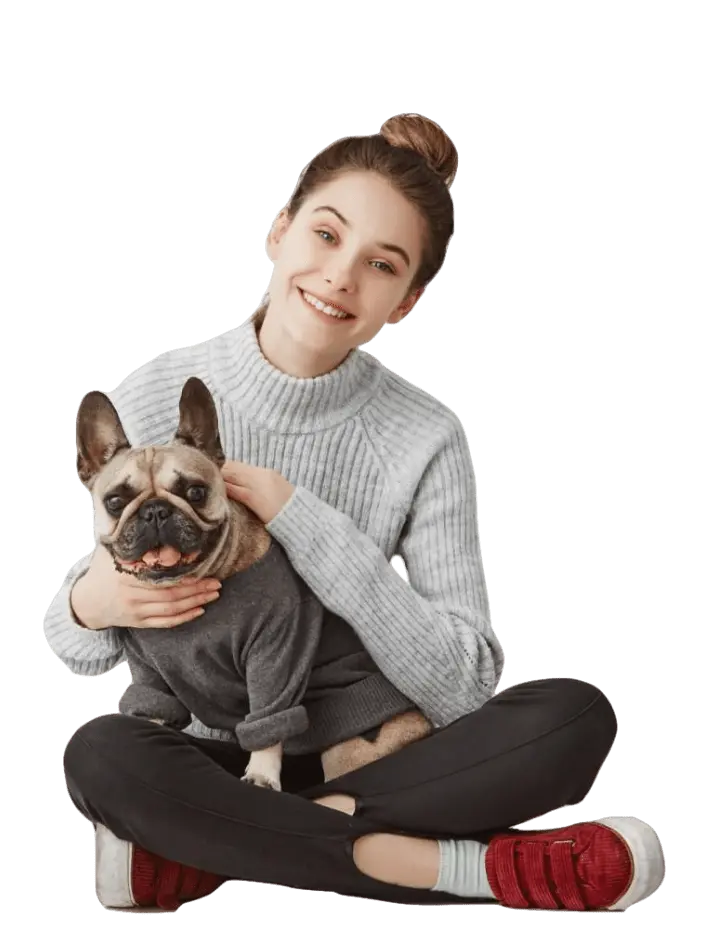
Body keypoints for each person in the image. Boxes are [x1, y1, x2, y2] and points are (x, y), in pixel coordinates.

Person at [49, 114, 665, 911]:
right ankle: (460, 868)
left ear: (407, 301)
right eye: (328, 235)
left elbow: (470, 686)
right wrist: (86, 602)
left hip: (378, 751)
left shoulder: (427, 434)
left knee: (574, 716)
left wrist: (303, 518)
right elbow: (81, 649)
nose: (341, 276)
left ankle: (221, 850)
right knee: (100, 754)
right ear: (279, 230)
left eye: (381, 264)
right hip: (214, 761)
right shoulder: (155, 390)